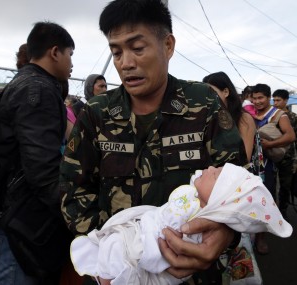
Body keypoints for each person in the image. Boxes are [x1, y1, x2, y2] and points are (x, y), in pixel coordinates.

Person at [59, 1, 248, 284]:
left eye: (137, 48)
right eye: (116, 52)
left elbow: (236, 184)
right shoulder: (97, 113)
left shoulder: (203, 104)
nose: (126, 62)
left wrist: (225, 233)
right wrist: (108, 253)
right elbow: (73, 188)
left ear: (168, 45)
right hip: (114, 273)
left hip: (189, 271)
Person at [70, 163, 292, 285]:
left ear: (218, 203)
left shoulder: (194, 218)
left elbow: (160, 250)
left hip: (145, 252)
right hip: (129, 230)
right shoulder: (193, 198)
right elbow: (71, 186)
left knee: (117, 255)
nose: (211, 167)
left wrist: (227, 232)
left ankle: (110, 275)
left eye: (216, 175)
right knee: (112, 249)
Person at [0, 21, 74, 285]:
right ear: (54, 52)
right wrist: (78, 210)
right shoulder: (37, 90)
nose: (71, 64)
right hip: (20, 230)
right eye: (70, 54)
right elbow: (43, 172)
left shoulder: (25, 83)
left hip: (15, 222)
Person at [251, 83, 295, 255]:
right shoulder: (251, 113)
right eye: (254, 98)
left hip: (267, 165)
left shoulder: (278, 114)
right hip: (252, 163)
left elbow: (290, 136)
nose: (257, 101)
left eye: (260, 98)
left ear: (268, 97)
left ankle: (261, 237)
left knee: (264, 199)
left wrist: (270, 144)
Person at [202, 71, 256, 162]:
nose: (208, 98)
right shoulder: (209, 118)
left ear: (226, 92)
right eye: (205, 94)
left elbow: (245, 158)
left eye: (212, 93)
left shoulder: (243, 119)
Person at [272, 89, 297, 219]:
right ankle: (271, 210)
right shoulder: (270, 116)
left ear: (286, 101)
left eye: (278, 100)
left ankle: (283, 210)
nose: (275, 103)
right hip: (272, 156)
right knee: (270, 184)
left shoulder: (293, 117)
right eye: (273, 100)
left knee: (285, 186)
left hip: (287, 157)